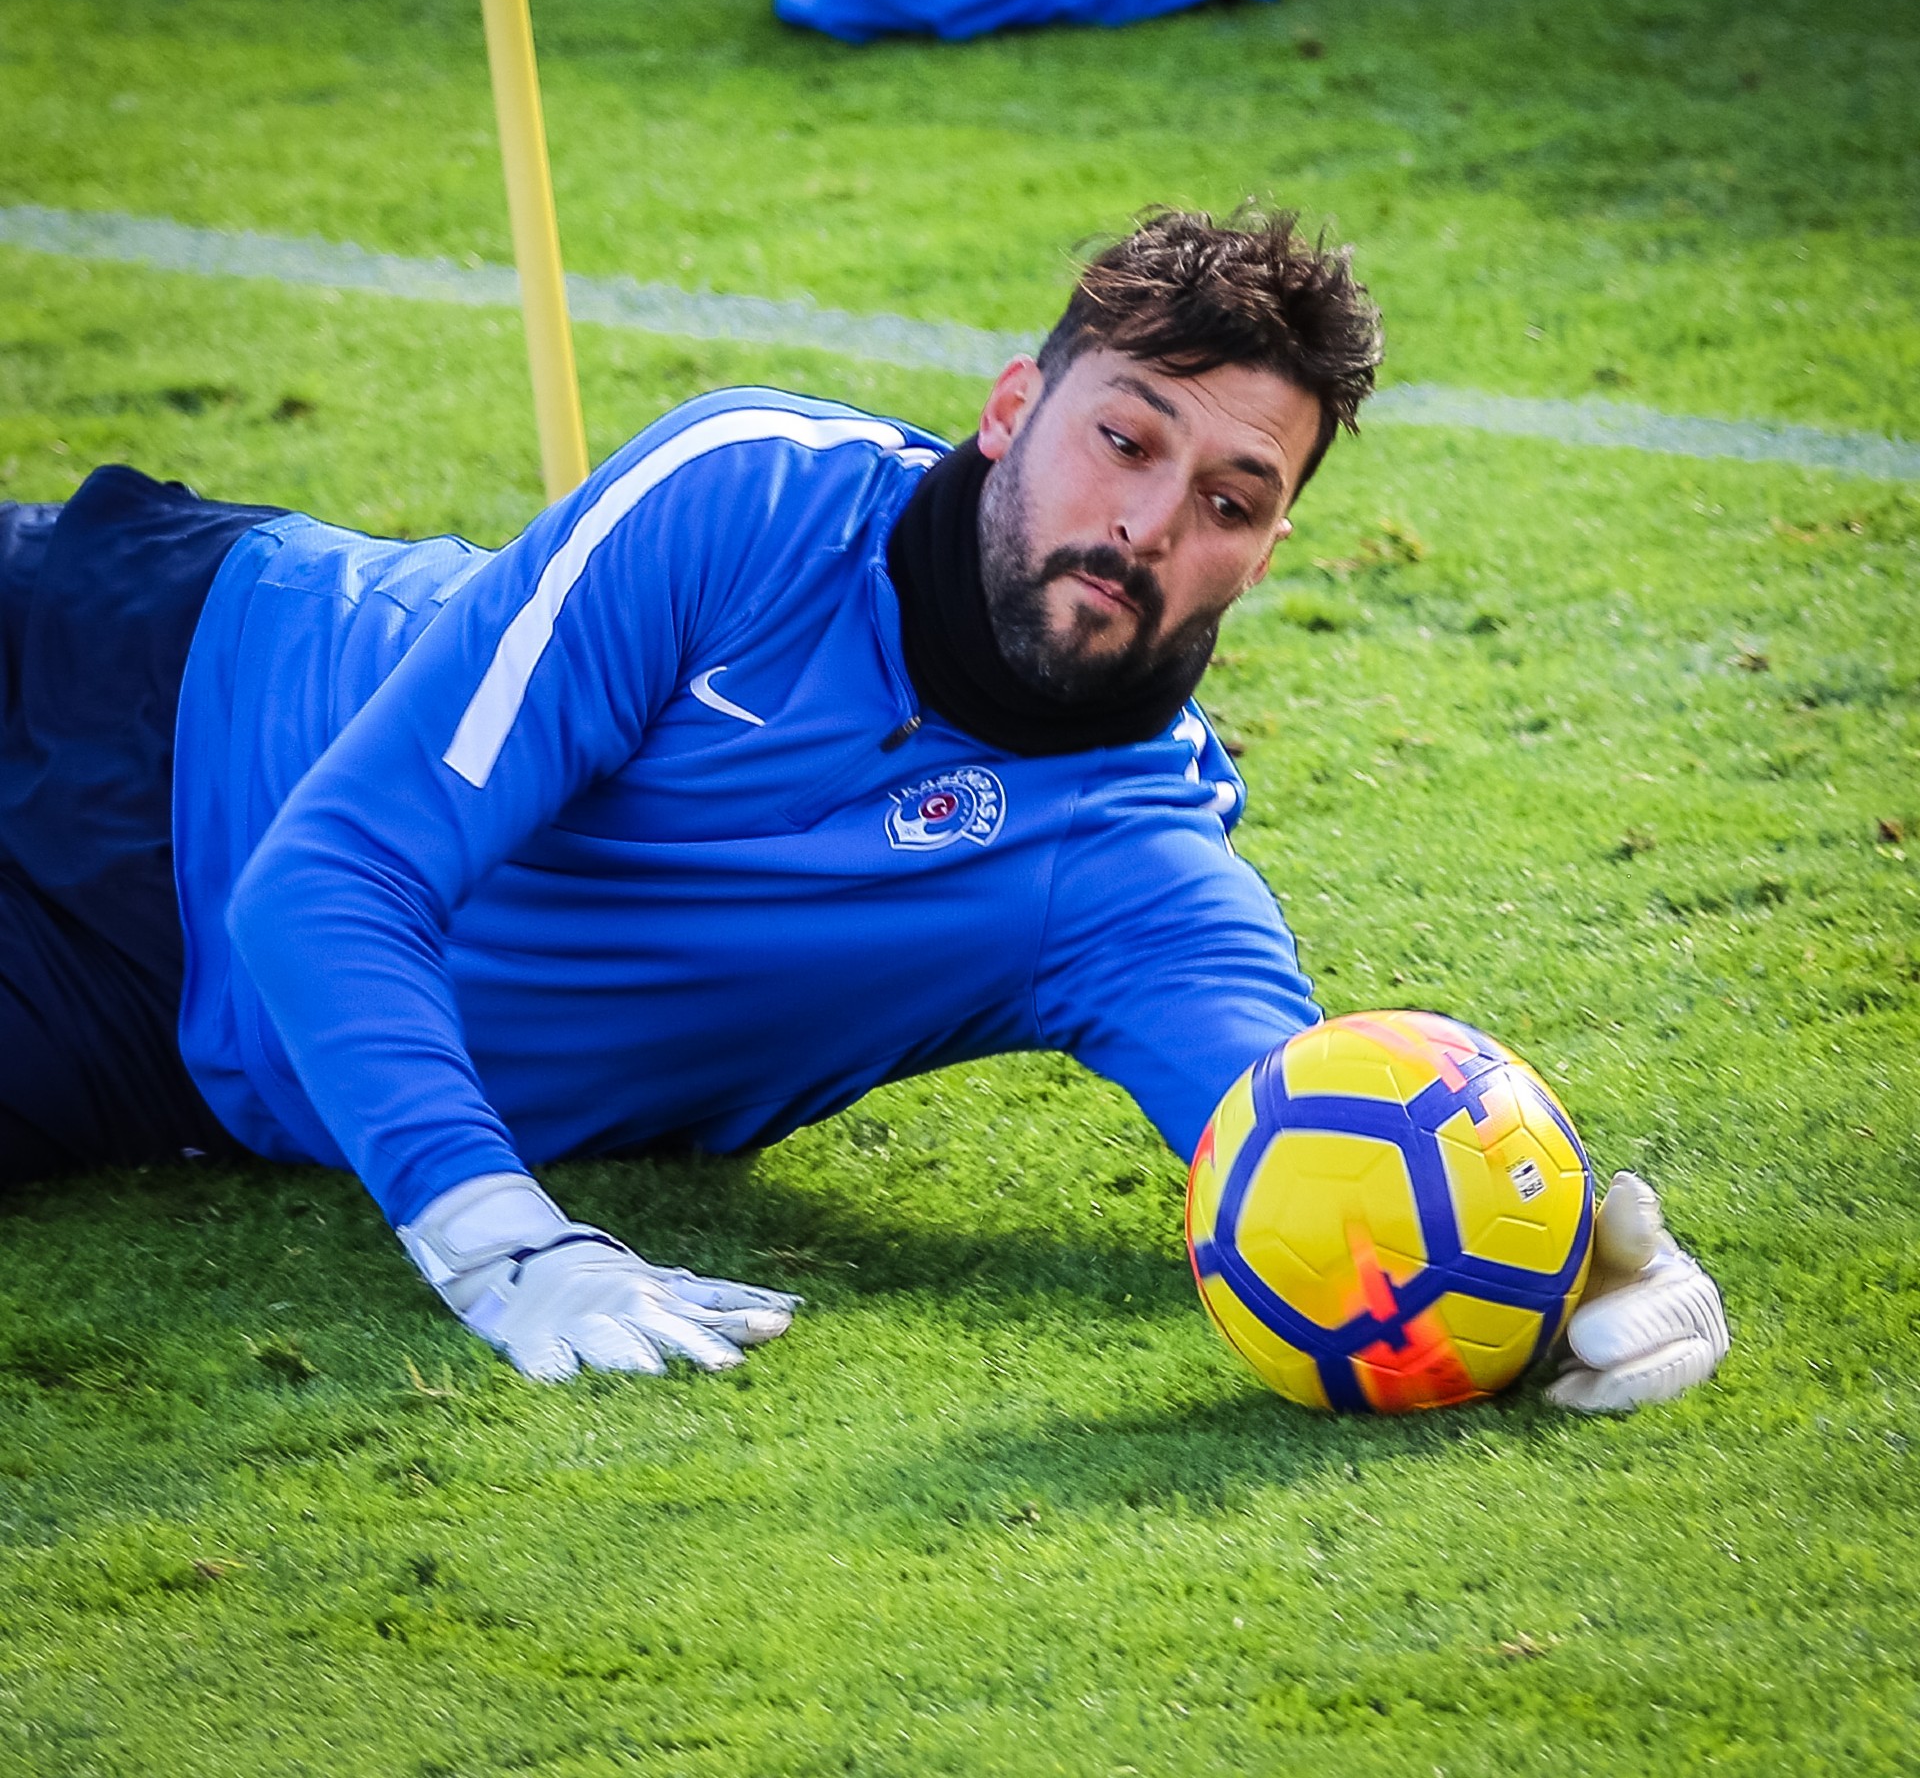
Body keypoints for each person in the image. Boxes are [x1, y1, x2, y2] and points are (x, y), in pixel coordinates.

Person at [0, 209, 1726, 1409]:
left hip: (149, 1050)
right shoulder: (748, 499)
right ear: (1010, 410)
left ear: (1269, 549)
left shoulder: (1138, 878)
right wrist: (501, 1242)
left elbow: (1315, 1150)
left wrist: (1564, 1274)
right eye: (1125, 440)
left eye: (1228, 497)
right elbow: (327, 879)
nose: (1147, 523)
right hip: (134, 665)